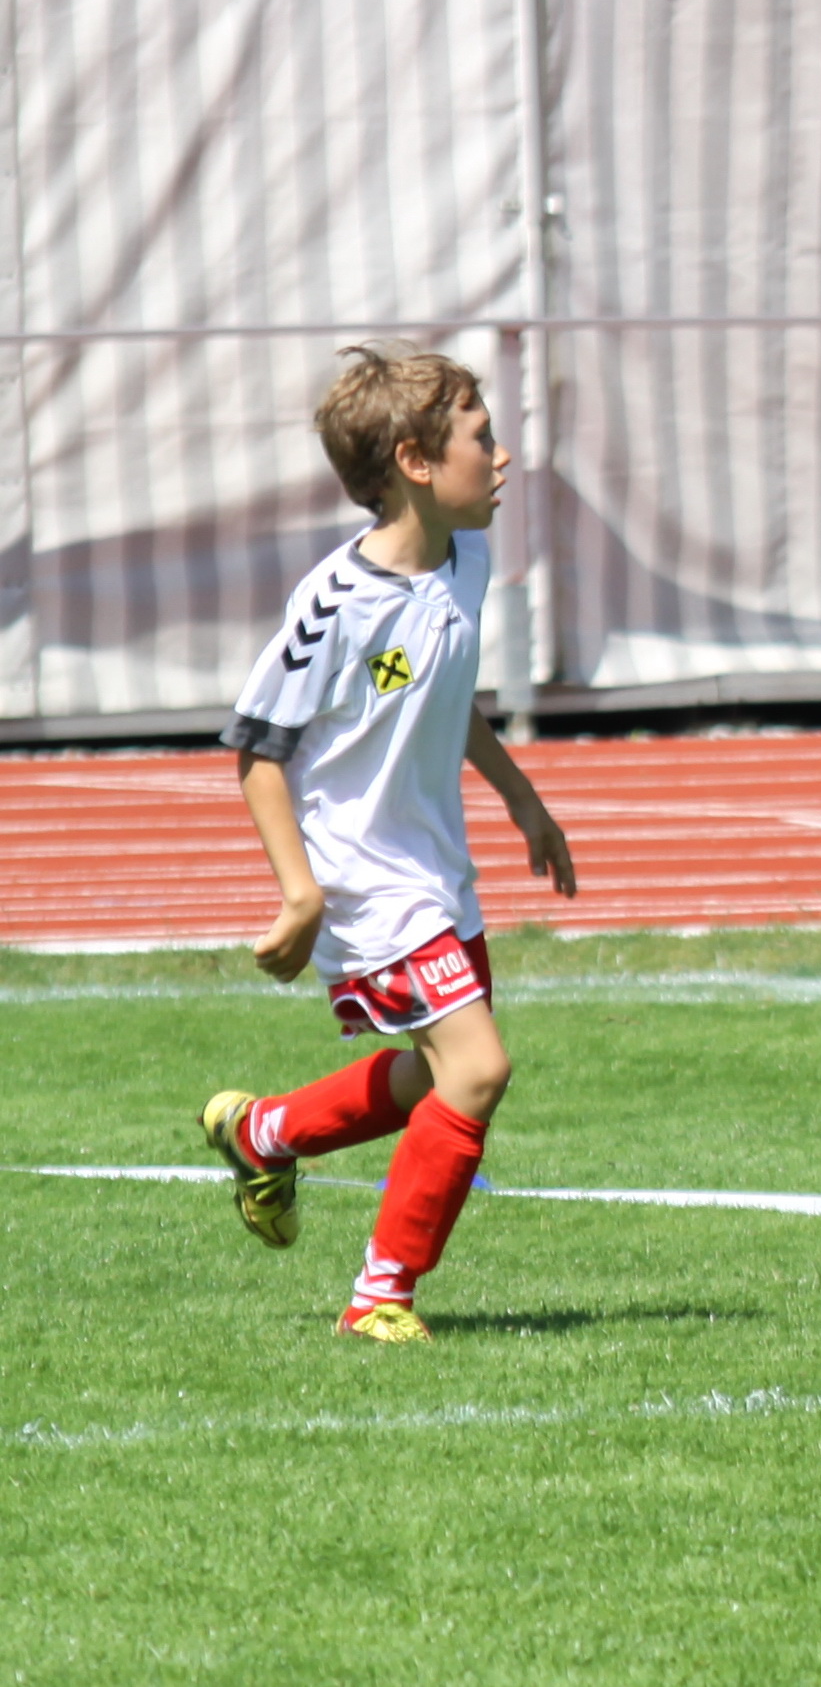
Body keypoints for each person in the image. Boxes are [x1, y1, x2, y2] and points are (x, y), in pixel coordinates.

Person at [197, 341, 577, 1344]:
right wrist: (301, 895)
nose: (501, 456)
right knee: (478, 1069)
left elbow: (443, 694)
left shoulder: (467, 556)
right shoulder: (335, 605)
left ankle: (262, 1132)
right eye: (480, 438)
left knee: (437, 1074)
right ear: (415, 461)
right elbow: (259, 750)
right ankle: (380, 1296)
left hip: (437, 869)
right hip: (366, 882)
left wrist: (522, 801)